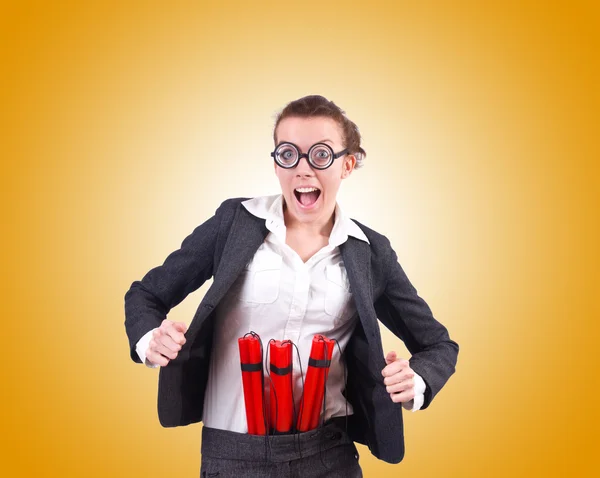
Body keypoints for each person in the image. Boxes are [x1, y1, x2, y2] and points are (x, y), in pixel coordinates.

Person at [124, 95, 459, 477]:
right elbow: (146, 294)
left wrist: (415, 379)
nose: (303, 169)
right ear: (276, 163)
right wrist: (150, 339)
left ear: (347, 164)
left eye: (320, 155)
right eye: (288, 154)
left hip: (328, 452)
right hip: (234, 455)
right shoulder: (233, 223)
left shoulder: (370, 252)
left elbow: (438, 344)